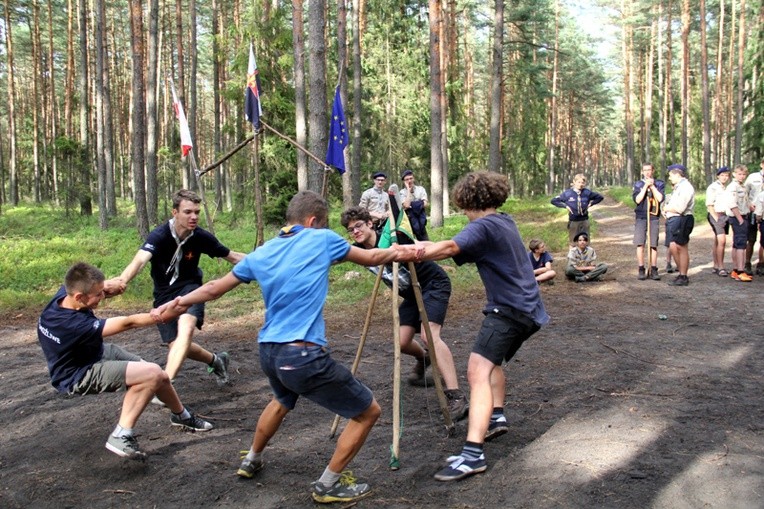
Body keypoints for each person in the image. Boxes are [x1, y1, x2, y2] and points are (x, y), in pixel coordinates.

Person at [155, 190, 417, 503]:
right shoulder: (321, 239)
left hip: (269, 351)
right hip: (302, 354)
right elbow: (374, 256)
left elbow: (212, 289)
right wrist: (416, 252)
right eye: (322, 224)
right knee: (367, 411)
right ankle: (328, 485)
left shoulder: (264, 251)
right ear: (313, 221)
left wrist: (178, 302)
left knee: (281, 400)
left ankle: (251, 459)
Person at [397, 171, 549, 482]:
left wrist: (409, 250)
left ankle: (472, 454)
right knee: (490, 364)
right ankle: (495, 415)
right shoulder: (503, 220)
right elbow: (458, 249)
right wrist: (417, 245)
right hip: (527, 308)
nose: (463, 213)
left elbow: (451, 248)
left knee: (477, 370)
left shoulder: (484, 225)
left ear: (470, 201)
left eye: (463, 206)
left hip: (510, 310)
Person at [37, 263, 213, 460]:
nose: (102, 297)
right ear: (79, 297)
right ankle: (121, 435)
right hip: (79, 373)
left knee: (160, 377)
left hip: (95, 352)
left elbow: (99, 287)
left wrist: (115, 285)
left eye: (102, 291)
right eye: (98, 295)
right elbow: (129, 322)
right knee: (151, 375)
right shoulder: (73, 325)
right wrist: (166, 314)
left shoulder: (64, 296)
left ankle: (182, 416)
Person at [340, 206, 468, 421]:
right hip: (409, 294)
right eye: (351, 230)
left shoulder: (392, 237)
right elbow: (336, 256)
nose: (355, 232)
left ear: (370, 224)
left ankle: (456, 396)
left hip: (432, 284)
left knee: (429, 336)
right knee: (401, 342)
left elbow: (420, 245)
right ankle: (424, 358)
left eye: (358, 226)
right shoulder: (358, 250)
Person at [116, 189, 245, 385]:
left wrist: (267, 261)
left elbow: (233, 256)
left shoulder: (201, 237)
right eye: (188, 212)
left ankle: (163, 383)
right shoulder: (159, 235)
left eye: (197, 212)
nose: (194, 217)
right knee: (176, 344)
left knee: (186, 330)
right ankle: (216, 360)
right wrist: (123, 280)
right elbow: (140, 260)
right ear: (174, 212)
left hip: (191, 289)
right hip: (164, 295)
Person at [663, 164, 695, 286]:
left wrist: (666, 208)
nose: (669, 178)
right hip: (674, 219)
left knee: (681, 247)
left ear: (677, 174)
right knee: (673, 247)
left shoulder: (686, 187)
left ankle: (683, 275)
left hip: (682, 219)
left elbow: (680, 208)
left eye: (671, 175)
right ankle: (681, 273)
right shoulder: (678, 187)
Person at [550, 173, 604, 245]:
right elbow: (554, 201)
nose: (580, 184)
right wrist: (565, 206)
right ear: (574, 182)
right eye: (579, 182)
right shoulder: (567, 193)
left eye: (583, 182)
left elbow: (600, 197)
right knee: (573, 242)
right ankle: (573, 256)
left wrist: (591, 204)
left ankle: (586, 256)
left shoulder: (587, 192)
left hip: (584, 220)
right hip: (574, 221)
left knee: (586, 241)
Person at [632, 163, 665, 280]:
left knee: (653, 244)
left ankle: (654, 268)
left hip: (654, 216)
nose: (647, 172)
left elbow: (660, 198)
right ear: (642, 172)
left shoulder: (660, 183)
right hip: (641, 216)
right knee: (640, 243)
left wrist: (652, 187)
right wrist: (645, 187)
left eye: (649, 170)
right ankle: (641, 268)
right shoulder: (638, 184)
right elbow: (637, 200)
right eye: (645, 170)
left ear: (653, 171)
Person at [726, 164, 753, 282]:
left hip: (743, 215)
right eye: (739, 174)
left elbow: (745, 201)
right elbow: (732, 204)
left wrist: (750, 206)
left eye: (743, 174)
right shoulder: (733, 187)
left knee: (737, 243)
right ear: (734, 174)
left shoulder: (742, 186)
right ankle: (741, 271)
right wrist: (740, 219)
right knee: (741, 244)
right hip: (738, 217)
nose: (742, 176)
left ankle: (736, 269)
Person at [706, 167, 731, 277]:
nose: (725, 177)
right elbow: (709, 204)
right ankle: (721, 267)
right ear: (718, 176)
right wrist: (716, 218)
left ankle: (716, 265)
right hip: (716, 214)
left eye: (726, 175)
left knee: (717, 240)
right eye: (722, 175)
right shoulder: (713, 187)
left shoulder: (726, 188)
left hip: (725, 215)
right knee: (722, 240)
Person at [743, 159, 764, 274]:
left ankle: (761, 264)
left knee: (763, 240)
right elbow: (744, 192)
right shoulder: (752, 177)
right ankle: (747, 263)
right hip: (752, 210)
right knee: (751, 239)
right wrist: (748, 204)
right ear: (761, 164)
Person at [399, 169, 430, 241]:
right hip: (408, 221)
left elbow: (425, 204)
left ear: (414, 178)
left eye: (411, 178)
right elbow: (406, 205)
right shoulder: (402, 192)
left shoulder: (420, 189)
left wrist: (411, 206)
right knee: (410, 243)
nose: (409, 181)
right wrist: (409, 191)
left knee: (425, 241)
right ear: (404, 181)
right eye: (407, 179)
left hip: (420, 220)